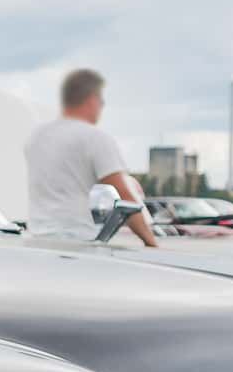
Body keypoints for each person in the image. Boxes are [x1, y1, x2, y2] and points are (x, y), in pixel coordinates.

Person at [23, 68, 157, 247]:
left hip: (37, 242)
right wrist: (150, 242)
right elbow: (124, 195)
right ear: (92, 99)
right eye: (101, 101)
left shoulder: (37, 137)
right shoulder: (95, 138)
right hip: (78, 244)